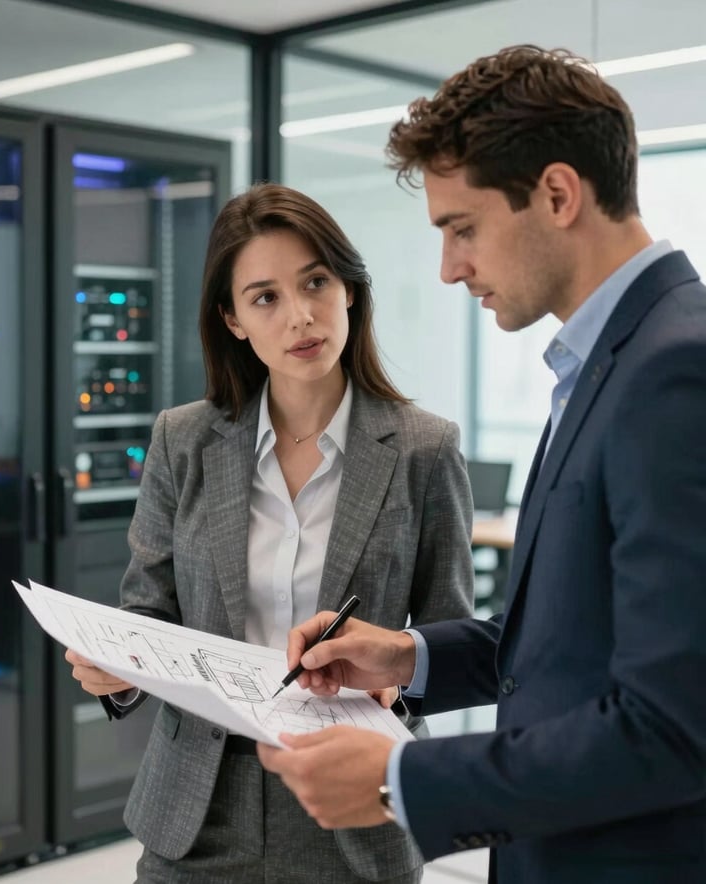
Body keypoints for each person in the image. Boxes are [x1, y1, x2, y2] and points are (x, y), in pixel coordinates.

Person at [257, 45, 706, 884]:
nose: (450, 267)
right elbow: (570, 641)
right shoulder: (604, 361)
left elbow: (674, 727)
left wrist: (401, 782)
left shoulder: (674, 373)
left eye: (462, 228)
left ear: (559, 195)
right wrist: (405, 655)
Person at [66, 182, 474, 884]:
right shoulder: (182, 440)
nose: (301, 316)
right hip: (197, 812)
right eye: (266, 298)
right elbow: (149, 612)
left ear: (348, 288)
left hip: (352, 805)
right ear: (232, 320)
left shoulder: (424, 449)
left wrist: (395, 690)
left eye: (316, 282)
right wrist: (117, 669)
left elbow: (447, 638)